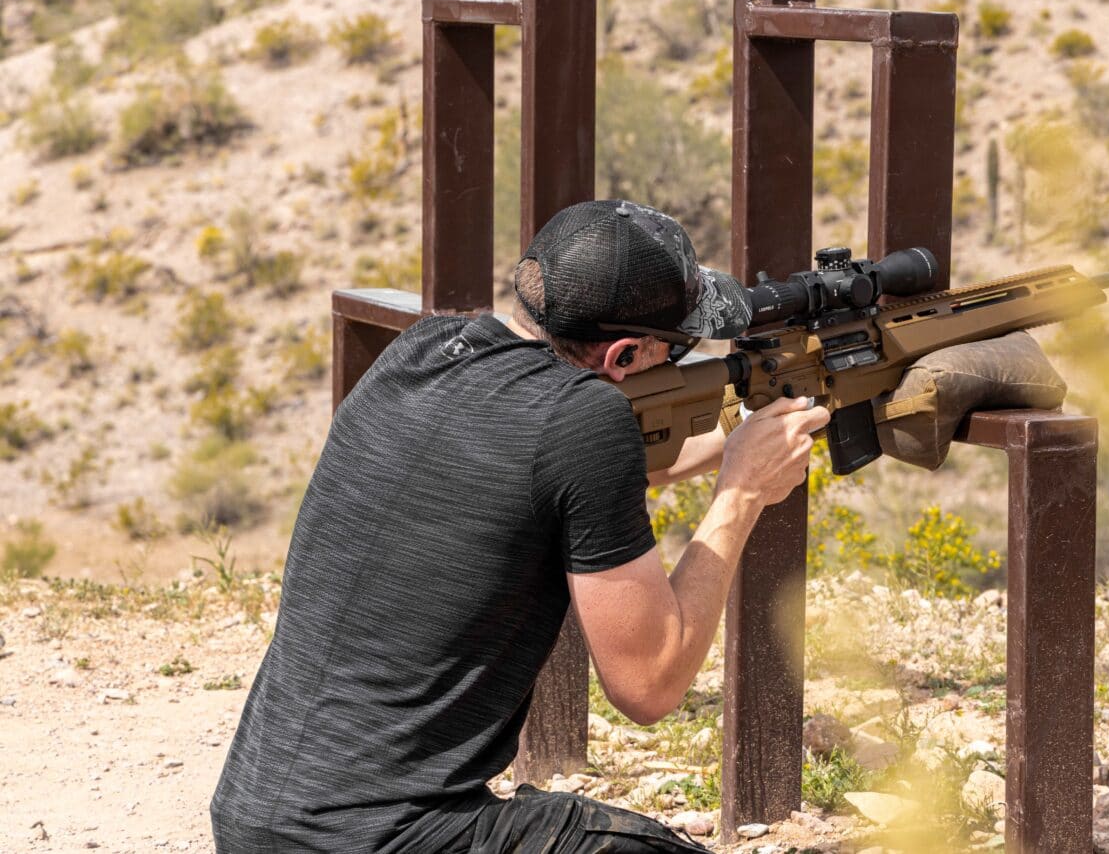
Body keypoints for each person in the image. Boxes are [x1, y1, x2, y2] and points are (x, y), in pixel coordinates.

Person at [210, 199, 830, 853]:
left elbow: (570, 485)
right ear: (622, 355)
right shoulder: (584, 421)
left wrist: (746, 439)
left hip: (257, 821)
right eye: (675, 350)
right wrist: (741, 493)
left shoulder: (425, 352)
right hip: (387, 838)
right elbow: (649, 684)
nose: (680, 363)